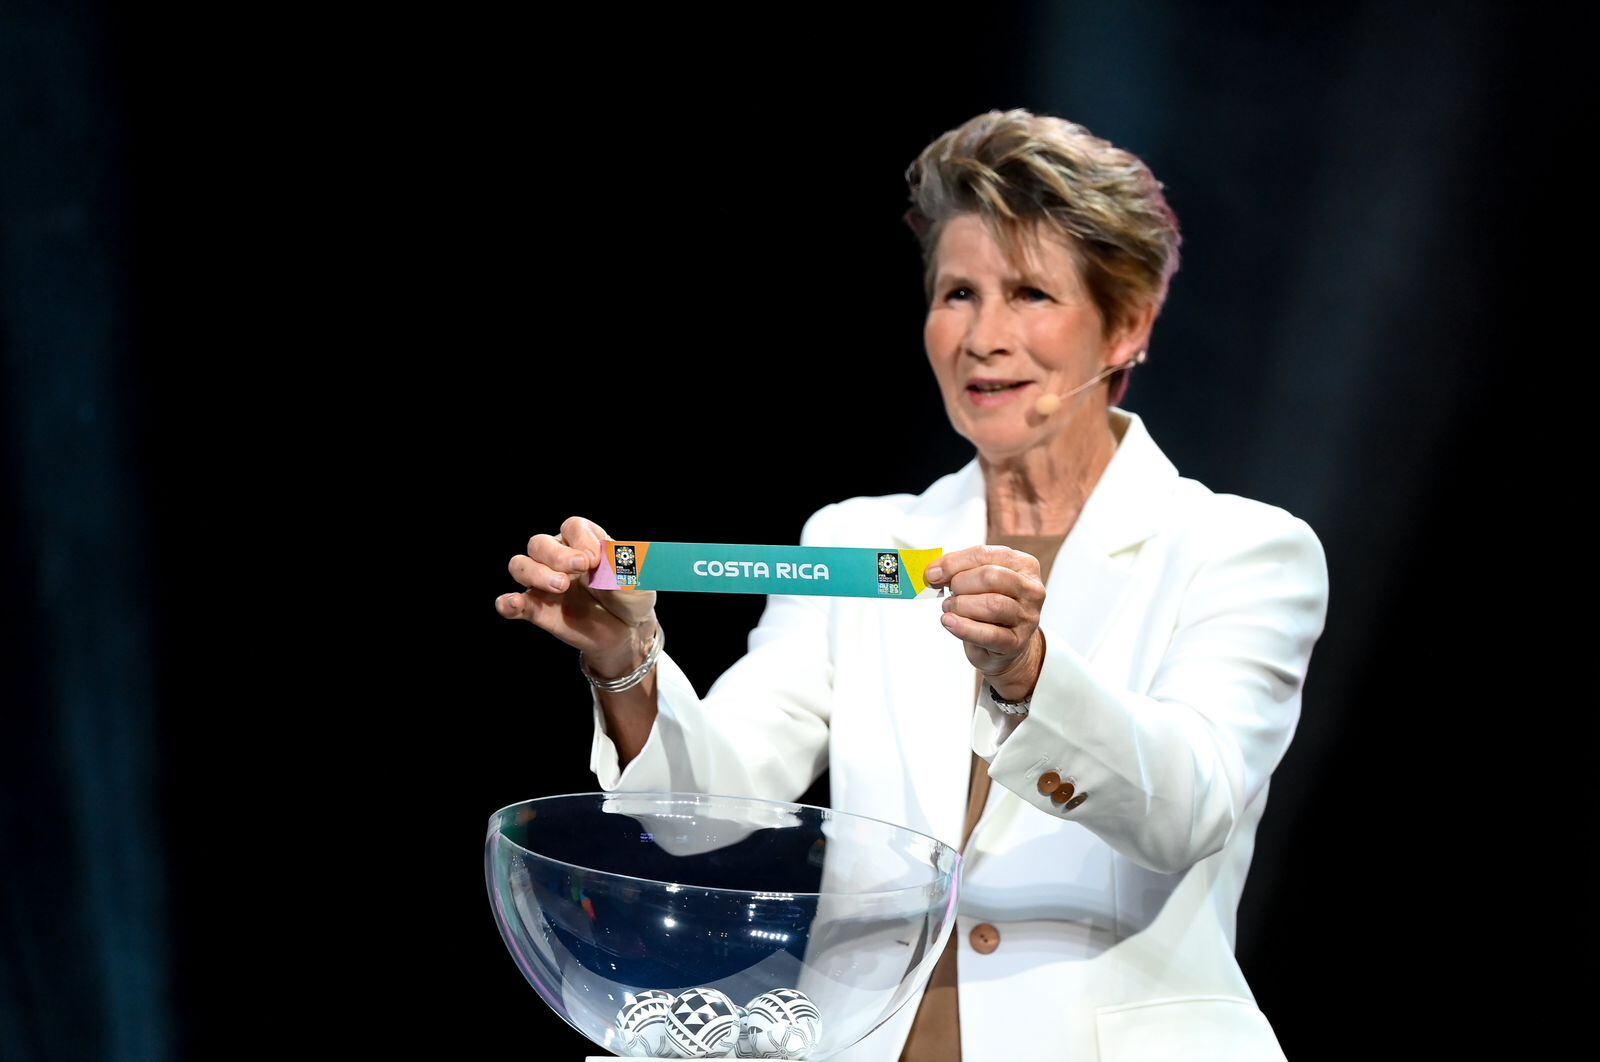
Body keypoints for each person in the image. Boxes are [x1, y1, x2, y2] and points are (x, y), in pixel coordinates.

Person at [496, 108, 1329, 1062]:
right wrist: (625, 660)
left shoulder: (1241, 550)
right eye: (958, 293)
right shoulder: (857, 539)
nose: (984, 337)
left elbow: (1188, 809)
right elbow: (709, 810)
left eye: (1030, 294)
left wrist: (1029, 673)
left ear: (1128, 324)